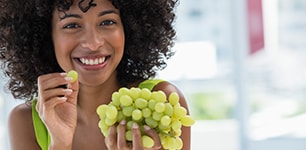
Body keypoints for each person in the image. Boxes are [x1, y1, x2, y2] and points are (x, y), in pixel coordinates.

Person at [0, 0, 191, 149]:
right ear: (46, 36)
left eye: (107, 22)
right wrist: (59, 144)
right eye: (71, 25)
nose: (93, 43)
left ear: (128, 29)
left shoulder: (161, 104)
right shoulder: (26, 122)